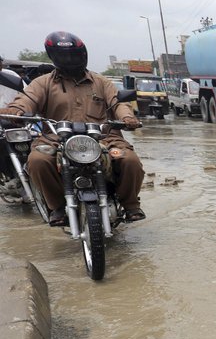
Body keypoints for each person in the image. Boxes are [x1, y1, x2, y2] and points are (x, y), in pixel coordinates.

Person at [0, 31, 145, 226]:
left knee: (130, 160)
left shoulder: (101, 82)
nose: (68, 60)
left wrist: (127, 117)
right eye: (62, 56)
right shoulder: (42, 83)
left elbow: (117, 103)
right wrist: (16, 110)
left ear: (82, 55)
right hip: (56, 139)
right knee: (37, 161)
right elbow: (27, 100)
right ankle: (57, 207)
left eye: (72, 55)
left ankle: (130, 204)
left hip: (103, 138)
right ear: (53, 57)